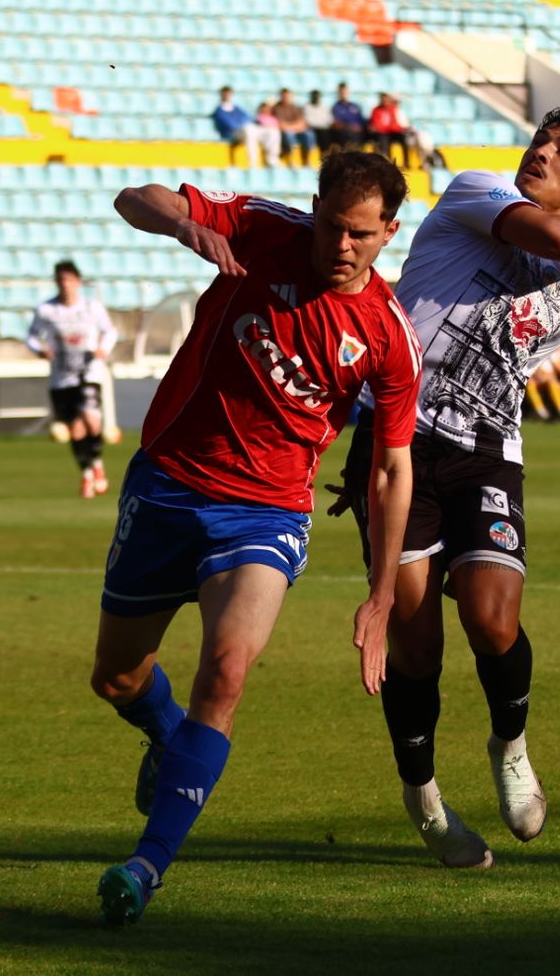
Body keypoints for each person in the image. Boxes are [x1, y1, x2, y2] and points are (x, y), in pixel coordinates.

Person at [93, 151, 421, 927]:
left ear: (389, 233)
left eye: (363, 235)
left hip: (267, 512)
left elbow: (391, 471)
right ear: (314, 208)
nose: (343, 246)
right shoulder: (261, 227)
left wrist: (381, 596)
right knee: (115, 678)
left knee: (228, 667)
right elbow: (129, 196)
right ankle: (166, 736)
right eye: (333, 226)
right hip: (169, 483)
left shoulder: (387, 333)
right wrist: (183, 224)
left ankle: (146, 866)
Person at [334, 107, 560, 869]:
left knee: (491, 616)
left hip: (486, 451)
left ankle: (509, 743)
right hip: (398, 443)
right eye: (542, 139)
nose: (542, 151)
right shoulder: (474, 192)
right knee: (415, 642)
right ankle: (425, 802)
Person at [27, 260, 118, 499]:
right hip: (61, 378)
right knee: (75, 429)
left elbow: (110, 331)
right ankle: (88, 473)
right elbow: (32, 336)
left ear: (77, 281)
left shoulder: (92, 308)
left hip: (89, 373)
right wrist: (40, 350)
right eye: (60, 280)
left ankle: (97, 464)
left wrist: (103, 348)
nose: (65, 284)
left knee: (91, 419)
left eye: (69, 279)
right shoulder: (46, 310)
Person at [211, 86, 278, 168]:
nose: (227, 96)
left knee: (272, 131)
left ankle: (271, 161)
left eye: (228, 94)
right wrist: (243, 124)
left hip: (246, 130)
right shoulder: (219, 110)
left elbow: (247, 118)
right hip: (233, 133)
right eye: (225, 94)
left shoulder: (236, 108)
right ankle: (253, 163)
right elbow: (230, 124)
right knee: (249, 130)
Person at [369, 93, 415, 168]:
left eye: (386, 99)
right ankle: (386, 162)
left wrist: (399, 129)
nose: (385, 101)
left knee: (403, 138)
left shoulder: (392, 109)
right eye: (383, 99)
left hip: (392, 132)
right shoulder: (376, 110)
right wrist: (385, 128)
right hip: (383, 133)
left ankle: (406, 162)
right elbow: (376, 125)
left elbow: (394, 123)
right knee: (383, 139)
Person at [273, 89, 316, 166]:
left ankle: (307, 160)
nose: (286, 98)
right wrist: (295, 127)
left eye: (288, 96)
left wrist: (292, 127)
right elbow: (281, 125)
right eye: (284, 96)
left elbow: (302, 123)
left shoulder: (296, 107)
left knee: (309, 134)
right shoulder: (276, 108)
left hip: (297, 131)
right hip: (287, 132)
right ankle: (291, 159)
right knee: (288, 134)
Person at [331, 82, 367, 151]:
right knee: (348, 135)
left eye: (345, 92)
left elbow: (362, 120)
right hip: (346, 131)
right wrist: (352, 127)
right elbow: (337, 123)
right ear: (338, 93)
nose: (344, 94)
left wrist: (362, 126)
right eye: (342, 92)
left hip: (358, 131)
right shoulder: (336, 107)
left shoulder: (355, 106)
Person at [303, 89, 335, 154]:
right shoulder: (307, 107)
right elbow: (308, 121)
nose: (316, 98)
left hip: (325, 128)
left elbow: (330, 119)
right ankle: (324, 154)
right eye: (314, 96)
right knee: (322, 134)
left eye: (318, 96)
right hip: (313, 128)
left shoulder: (324, 107)